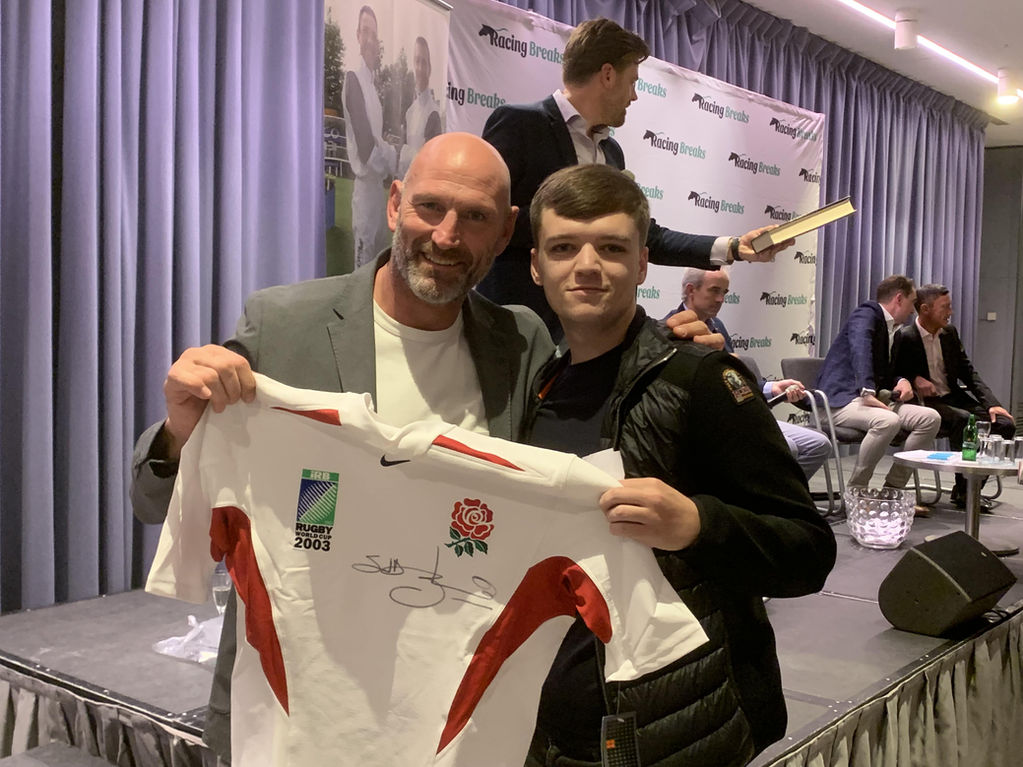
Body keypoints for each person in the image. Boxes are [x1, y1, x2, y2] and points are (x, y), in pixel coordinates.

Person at [130, 133, 711, 762]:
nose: (447, 235)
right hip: (291, 712)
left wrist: (664, 352)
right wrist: (180, 431)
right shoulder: (283, 324)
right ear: (394, 204)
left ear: (506, 231)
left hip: (446, 720)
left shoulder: (521, 343)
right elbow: (152, 499)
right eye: (430, 207)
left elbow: (586, 426)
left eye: (476, 217)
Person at [523, 163, 836, 766]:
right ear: (536, 265)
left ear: (643, 264)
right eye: (563, 248)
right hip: (552, 725)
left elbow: (808, 551)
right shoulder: (537, 385)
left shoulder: (701, 380)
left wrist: (697, 524)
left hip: (677, 729)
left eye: (611, 247)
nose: (586, 265)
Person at [479, 17, 793, 336]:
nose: (634, 96)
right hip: (518, 330)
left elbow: (645, 237)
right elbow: (489, 221)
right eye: (632, 82)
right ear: (607, 75)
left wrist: (735, 247)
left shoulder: (612, 152)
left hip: (594, 334)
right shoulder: (520, 124)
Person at [670, 267, 831, 480]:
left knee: (818, 444)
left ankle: (781, 495)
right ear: (691, 290)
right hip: (710, 422)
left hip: (740, 415)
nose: (720, 299)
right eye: (714, 290)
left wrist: (773, 388)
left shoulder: (717, 326)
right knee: (787, 448)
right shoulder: (674, 331)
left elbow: (735, 378)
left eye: (724, 292)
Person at [894, 283, 1016, 508]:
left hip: (952, 396)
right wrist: (914, 378)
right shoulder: (906, 336)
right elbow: (893, 373)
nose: (950, 312)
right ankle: (966, 492)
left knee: (1004, 424)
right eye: (945, 307)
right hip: (925, 403)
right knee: (963, 420)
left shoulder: (949, 333)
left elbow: (967, 371)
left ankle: (968, 488)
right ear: (925, 309)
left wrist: (992, 404)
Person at [815, 275, 941, 490]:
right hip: (838, 403)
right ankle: (856, 491)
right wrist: (867, 391)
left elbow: (887, 372)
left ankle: (893, 489)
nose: (913, 310)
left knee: (930, 418)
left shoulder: (895, 332)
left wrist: (902, 381)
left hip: (871, 401)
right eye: (912, 302)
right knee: (888, 421)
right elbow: (860, 348)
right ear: (899, 298)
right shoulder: (867, 313)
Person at [343, 5, 397, 267]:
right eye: (365, 32)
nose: (369, 39)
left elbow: (379, 140)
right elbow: (366, 147)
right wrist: (389, 161)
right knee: (363, 267)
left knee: (379, 266)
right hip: (365, 189)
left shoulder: (373, 89)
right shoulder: (353, 79)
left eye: (373, 34)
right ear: (357, 35)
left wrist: (385, 151)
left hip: (378, 194)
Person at [397, 36, 442, 177]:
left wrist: (405, 155)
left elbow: (429, 161)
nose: (420, 68)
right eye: (417, 61)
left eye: (424, 62)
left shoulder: (433, 113)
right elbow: (401, 161)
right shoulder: (410, 112)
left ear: (430, 68)